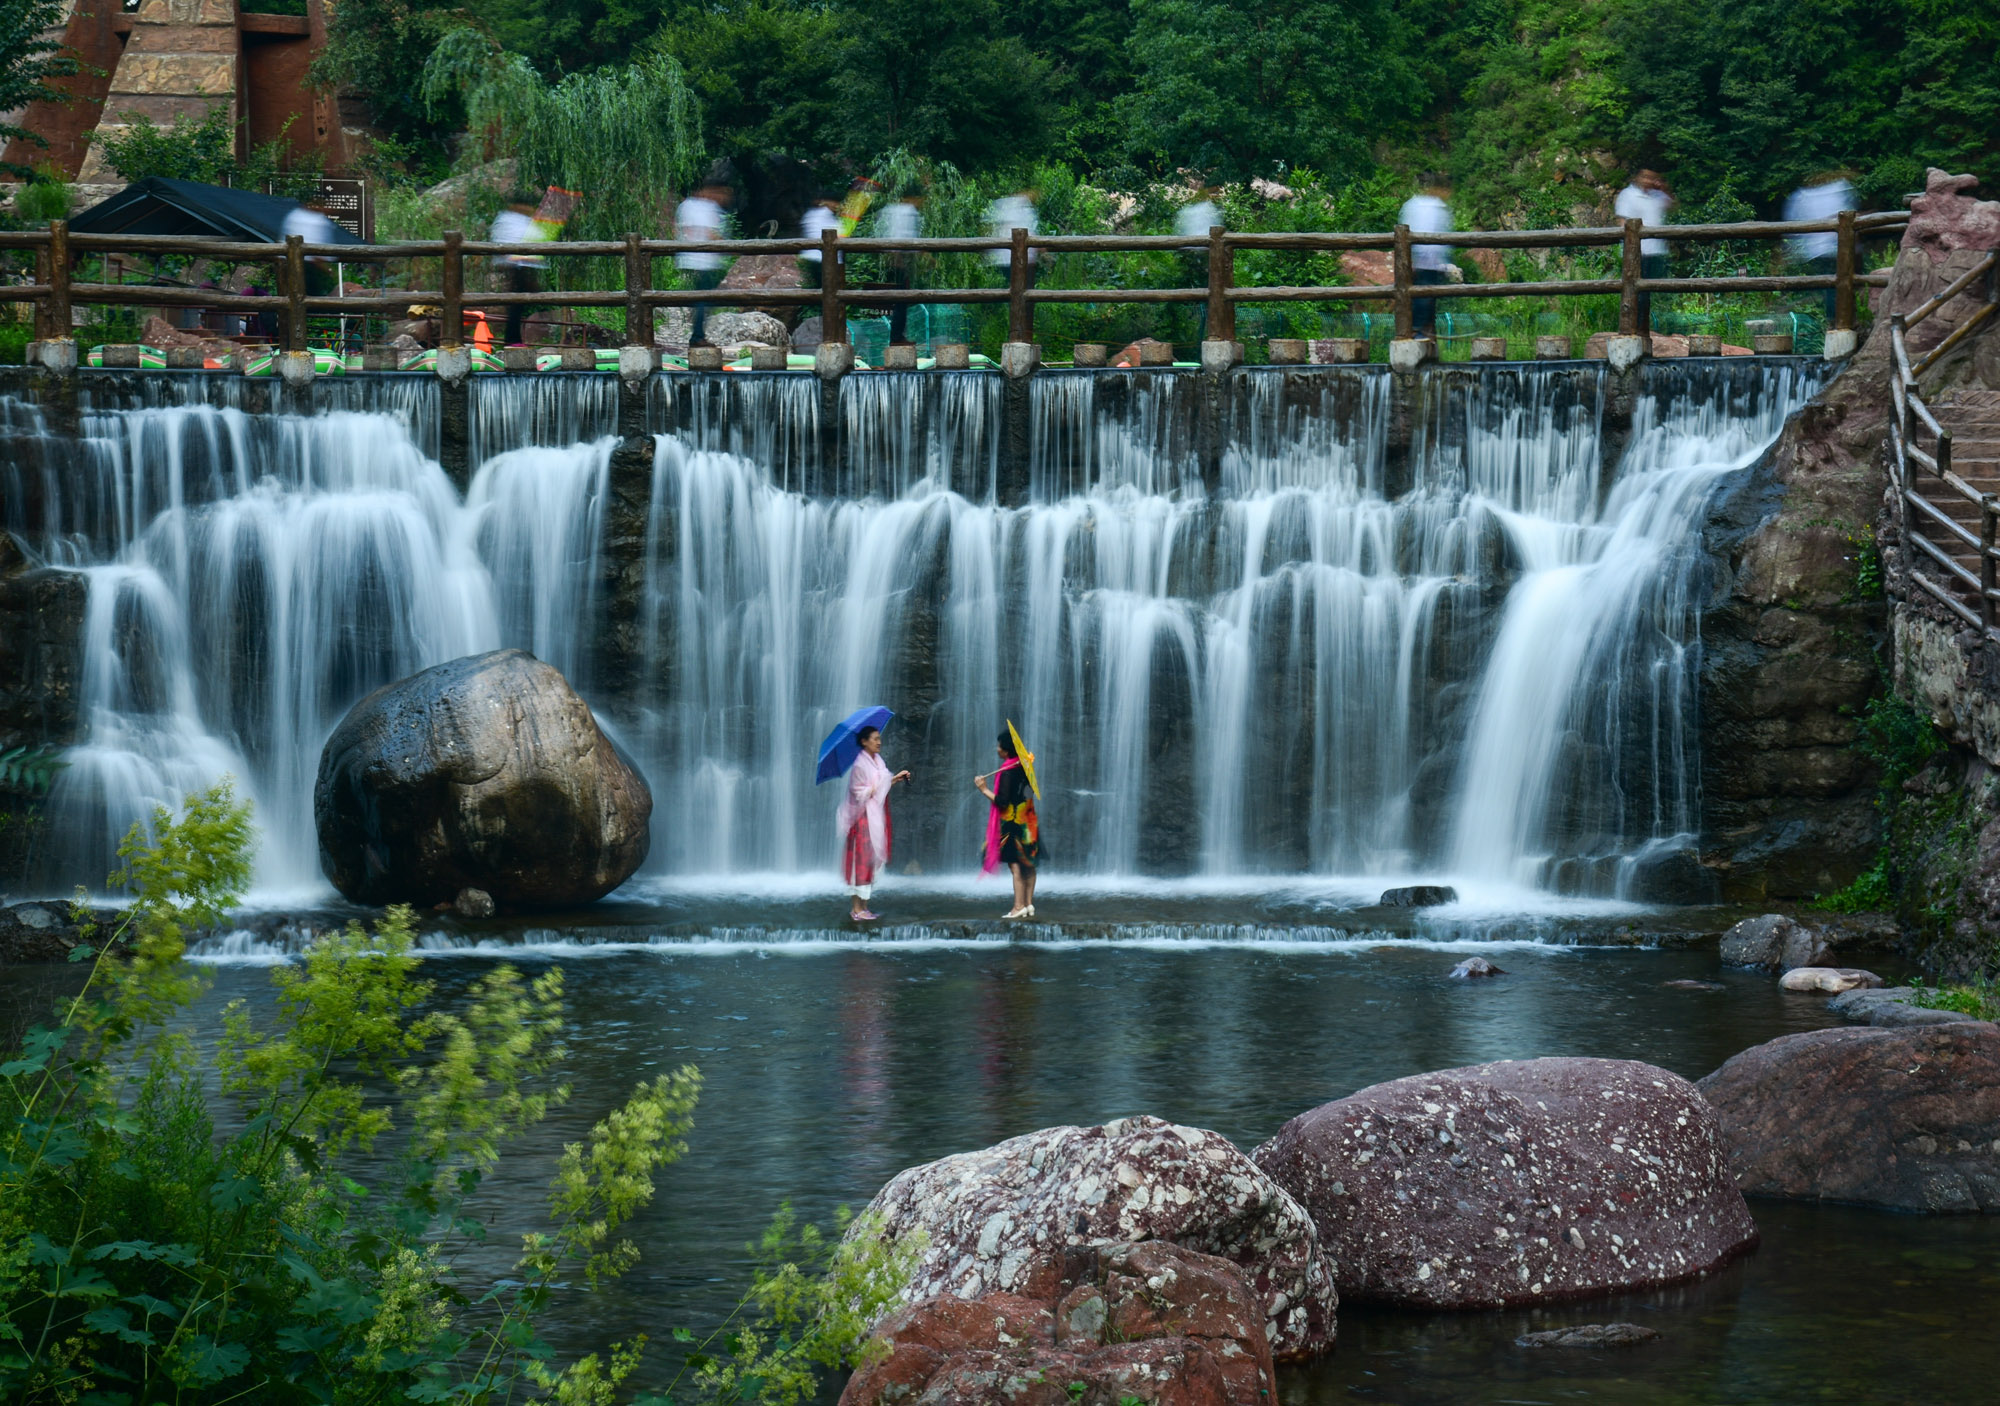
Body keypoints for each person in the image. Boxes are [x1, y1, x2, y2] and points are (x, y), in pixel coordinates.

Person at [838, 725, 909, 921]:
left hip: (876, 815)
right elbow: (858, 792)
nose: (879, 742)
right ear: (864, 741)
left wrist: (895, 779)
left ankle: (865, 907)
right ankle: (856, 908)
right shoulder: (860, 764)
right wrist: (883, 783)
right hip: (862, 818)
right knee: (860, 861)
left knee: (871, 862)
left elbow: (879, 788)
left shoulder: (877, 761)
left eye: (879, 738)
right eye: (875, 739)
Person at [975, 728, 1041, 919]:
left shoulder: (1007, 772)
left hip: (1012, 824)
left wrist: (983, 789)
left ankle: (1018, 906)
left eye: (999, 746)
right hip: (1028, 822)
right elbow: (1028, 795)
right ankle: (1029, 904)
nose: (997, 749)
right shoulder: (1024, 768)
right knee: (1029, 864)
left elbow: (1002, 801)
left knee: (1015, 865)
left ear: (1005, 750)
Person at [1785, 173, 1857, 325]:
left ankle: (1831, 320)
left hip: (1819, 250)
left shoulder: (1803, 196)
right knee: (1836, 286)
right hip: (1833, 249)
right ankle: (1837, 320)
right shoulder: (1839, 190)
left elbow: (1793, 226)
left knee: (1830, 286)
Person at [1614, 170, 1673, 332]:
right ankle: (1633, 329)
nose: (1648, 180)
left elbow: (1672, 205)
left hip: (1655, 251)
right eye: (1645, 177)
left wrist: (1663, 189)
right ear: (1638, 178)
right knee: (1635, 294)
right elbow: (1622, 222)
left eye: (1651, 178)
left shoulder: (1657, 195)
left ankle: (1644, 329)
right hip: (1636, 253)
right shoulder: (1628, 195)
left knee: (1647, 294)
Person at [675, 183, 732, 346]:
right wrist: (729, 248)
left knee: (702, 298)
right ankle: (697, 336)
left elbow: (680, 230)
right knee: (703, 298)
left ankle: (698, 334)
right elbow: (710, 233)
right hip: (702, 261)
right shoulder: (703, 207)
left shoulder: (685, 206)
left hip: (693, 259)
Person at [489, 198, 549, 347]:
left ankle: (514, 340)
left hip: (523, 266)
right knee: (516, 305)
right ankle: (513, 340)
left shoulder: (518, 220)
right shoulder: (509, 219)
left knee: (518, 305)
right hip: (517, 267)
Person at [1398, 180, 1453, 340]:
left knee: (1425, 301)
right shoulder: (1432, 207)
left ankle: (1424, 334)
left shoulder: (1414, 205)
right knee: (1422, 301)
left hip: (1423, 262)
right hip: (1424, 263)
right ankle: (1419, 333)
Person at [1175, 188, 1223, 340]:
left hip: (1194, 255)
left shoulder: (1189, 210)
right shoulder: (1208, 209)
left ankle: (1198, 319)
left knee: (1203, 292)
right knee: (1208, 291)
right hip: (1204, 256)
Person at [877, 192, 923, 346]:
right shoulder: (908, 212)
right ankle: (897, 338)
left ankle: (897, 336)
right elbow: (903, 238)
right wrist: (899, 260)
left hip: (890, 258)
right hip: (897, 259)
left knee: (900, 299)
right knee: (901, 299)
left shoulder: (891, 209)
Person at [986, 190, 1039, 287]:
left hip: (1011, 258)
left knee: (1017, 288)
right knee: (1022, 289)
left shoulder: (1007, 206)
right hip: (1018, 258)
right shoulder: (1019, 207)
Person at [798, 199, 842, 290]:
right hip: (823, 258)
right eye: (835, 202)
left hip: (816, 257)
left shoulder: (812, 214)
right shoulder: (822, 216)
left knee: (824, 289)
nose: (837, 205)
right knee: (829, 290)